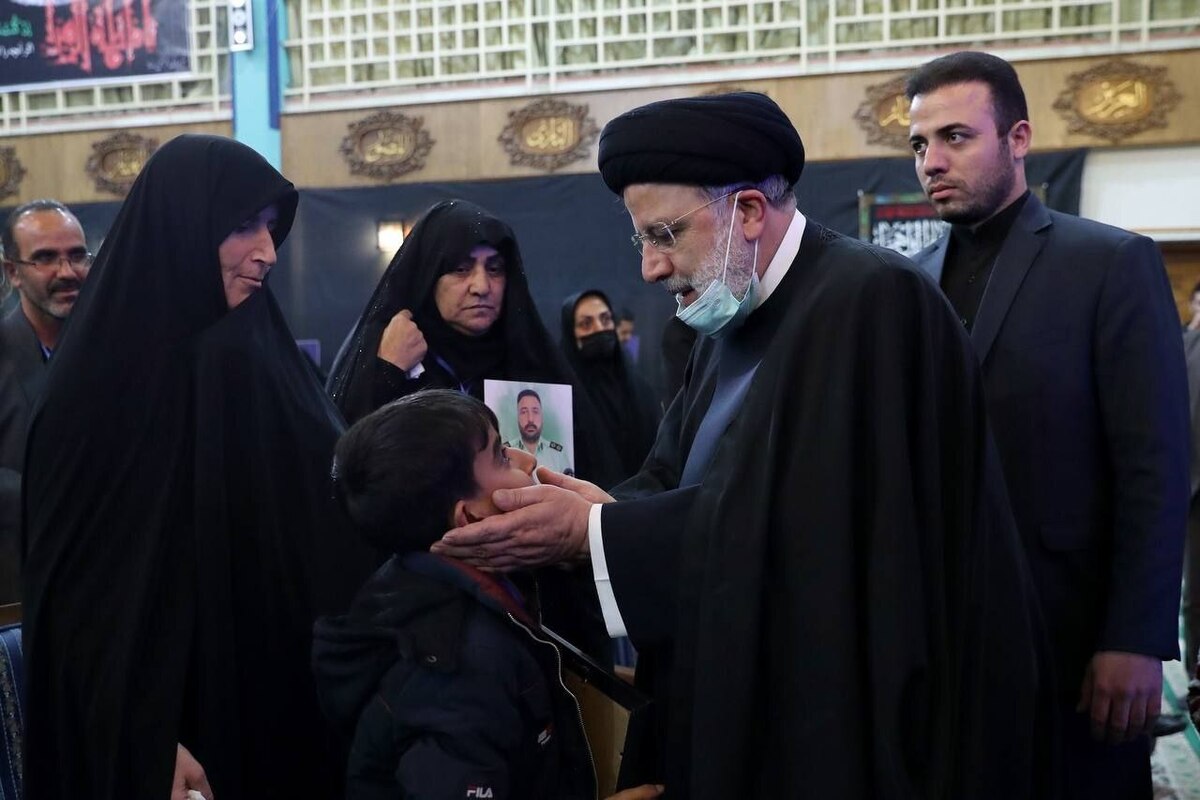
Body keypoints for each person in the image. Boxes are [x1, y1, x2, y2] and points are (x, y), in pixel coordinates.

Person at [433, 92, 1054, 798]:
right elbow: (676, 475)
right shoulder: (731, 311)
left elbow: (825, 536)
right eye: (642, 240)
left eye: (664, 234)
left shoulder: (872, 303)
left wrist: (596, 535)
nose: (651, 268)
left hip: (846, 722)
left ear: (750, 212)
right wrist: (597, 510)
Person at [21, 134, 375, 800]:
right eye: (242, 226)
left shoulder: (259, 354)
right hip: (172, 732)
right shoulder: (94, 390)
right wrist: (145, 737)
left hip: (282, 706)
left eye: (270, 227)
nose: (267, 251)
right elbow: (78, 604)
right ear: (181, 229)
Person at [906, 51, 1189, 798]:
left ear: (1019, 139)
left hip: (1071, 634)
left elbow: (1154, 467)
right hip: (943, 643)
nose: (932, 162)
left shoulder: (1109, 262)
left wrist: (1134, 637)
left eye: (956, 137)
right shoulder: (905, 282)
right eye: (919, 144)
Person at [314, 390, 664, 800]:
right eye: (501, 455)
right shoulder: (459, 671)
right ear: (468, 517)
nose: (527, 461)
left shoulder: (419, 579)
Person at [327, 199, 621, 661]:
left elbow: (591, 475)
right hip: (425, 628)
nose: (481, 286)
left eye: (495, 269)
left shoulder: (532, 362)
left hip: (540, 611)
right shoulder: (390, 357)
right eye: (460, 269)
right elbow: (351, 474)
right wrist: (386, 373)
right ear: (428, 275)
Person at [0, 199, 90, 604]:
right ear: (12, 272)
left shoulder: (114, 350)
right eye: (46, 258)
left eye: (77, 255)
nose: (67, 272)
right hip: (20, 588)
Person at [560, 290, 660, 479]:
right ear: (570, 333)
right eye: (586, 324)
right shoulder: (561, 397)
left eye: (605, 319)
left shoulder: (641, 390)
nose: (599, 328)